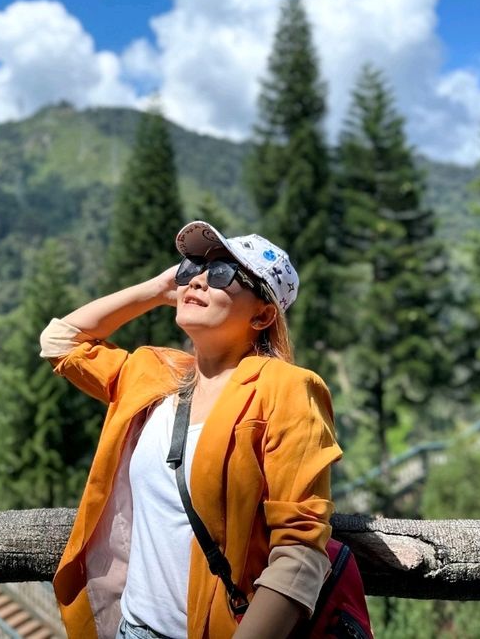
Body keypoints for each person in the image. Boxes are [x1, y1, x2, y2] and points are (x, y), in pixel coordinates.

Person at [40, 220, 342, 639]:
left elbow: (299, 549)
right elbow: (60, 341)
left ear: (263, 315)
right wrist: (157, 289)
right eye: (190, 269)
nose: (197, 279)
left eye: (221, 273)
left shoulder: (285, 389)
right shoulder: (154, 374)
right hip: (131, 627)